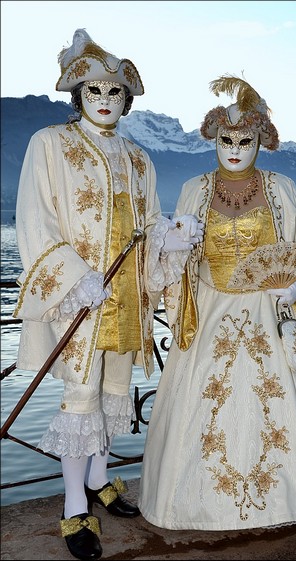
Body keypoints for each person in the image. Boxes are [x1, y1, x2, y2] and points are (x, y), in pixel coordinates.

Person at [138, 75, 296, 530]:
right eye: (226, 139)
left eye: (245, 140)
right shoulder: (195, 189)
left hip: (270, 308)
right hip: (210, 311)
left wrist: (294, 287)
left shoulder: (281, 187)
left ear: (260, 141)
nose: (234, 148)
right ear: (214, 139)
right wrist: (173, 245)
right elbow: (181, 256)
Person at [13, 29, 202, 560]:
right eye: (93, 92)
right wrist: (74, 278)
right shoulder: (49, 144)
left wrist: (173, 238)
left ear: (126, 99)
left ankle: (98, 476)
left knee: (115, 391)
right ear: (77, 96)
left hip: (128, 296)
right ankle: (75, 505)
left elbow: (147, 228)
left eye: (114, 92)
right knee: (80, 397)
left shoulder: (141, 159)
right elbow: (34, 219)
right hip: (83, 297)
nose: (104, 100)